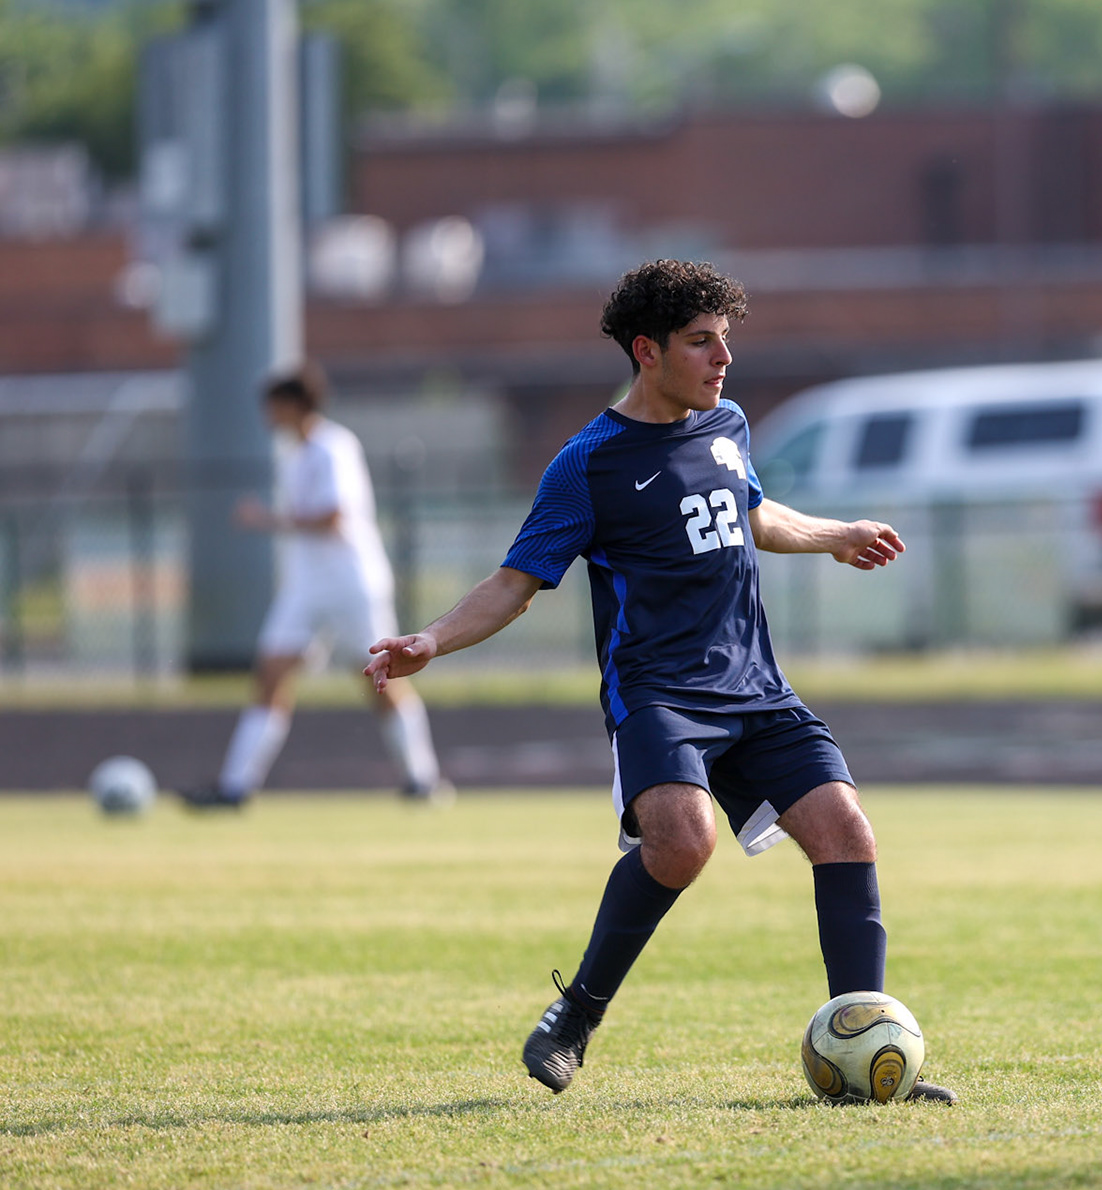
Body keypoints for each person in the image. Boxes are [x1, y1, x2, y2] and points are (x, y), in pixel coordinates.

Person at [363, 260, 955, 1104]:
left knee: (846, 831)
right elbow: (514, 583)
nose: (723, 360)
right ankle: (573, 1017)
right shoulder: (587, 465)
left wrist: (836, 534)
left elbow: (755, 515)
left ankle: (861, 1059)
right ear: (648, 350)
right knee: (682, 844)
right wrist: (430, 639)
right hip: (660, 695)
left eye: (725, 341)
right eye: (701, 343)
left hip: (756, 687)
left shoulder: (729, 425)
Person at [185, 362, 447, 807]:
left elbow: (334, 515)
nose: (267, 415)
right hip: (306, 588)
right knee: (270, 675)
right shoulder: (296, 454)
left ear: (291, 404)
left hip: (350, 583)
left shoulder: (333, 446)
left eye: (272, 405)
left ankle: (423, 780)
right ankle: (235, 788)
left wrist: (267, 520)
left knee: (381, 679)